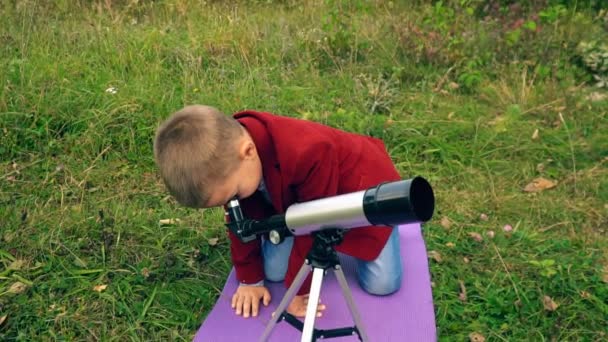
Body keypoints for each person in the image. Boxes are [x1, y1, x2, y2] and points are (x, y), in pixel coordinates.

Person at [154, 105, 403, 319]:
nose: (232, 204)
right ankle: (321, 251)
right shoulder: (229, 164)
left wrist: (297, 292)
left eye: (233, 196)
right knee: (273, 272)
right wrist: (250, 279)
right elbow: (241, 221)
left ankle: (387, 231)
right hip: (300, 206)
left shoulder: (309, 151)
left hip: (362, 195)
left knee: (382, 284)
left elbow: (313, 224)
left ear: (248, 152)